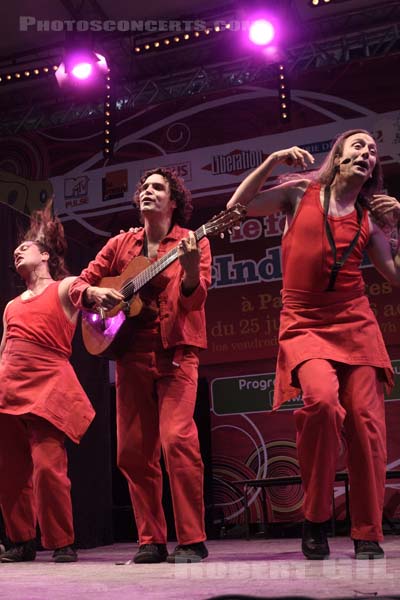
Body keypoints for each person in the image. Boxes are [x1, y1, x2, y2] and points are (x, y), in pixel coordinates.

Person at [227, 129, 400, 560]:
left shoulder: (368, 217)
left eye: (373, 151)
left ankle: (367, 531)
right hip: (305, 323)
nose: (367, 153)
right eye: (358, 146)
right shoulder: (301, 193)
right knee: (321, 404)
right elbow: (238, 207)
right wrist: (272, 162)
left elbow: (395, 273)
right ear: (338, 157)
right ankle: (316, 518)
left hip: (357, 325)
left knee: (367, 427)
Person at [69, 168, 211, 564]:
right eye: (144, 187)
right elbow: (80, 284)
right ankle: (151, 540)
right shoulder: (120, 244)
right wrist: (94, 292)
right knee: (132, 453)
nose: (148, 191)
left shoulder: (191, 241)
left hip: (176, 352)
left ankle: (192, 540)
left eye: (158, 187)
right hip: (130, 355)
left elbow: (194, 299)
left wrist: (190, 268)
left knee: (178, 442)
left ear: (174, 202)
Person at [0, 204, 95, 563]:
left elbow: (87, 293)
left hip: (46, 387)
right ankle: (20, 540)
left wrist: (99, 295)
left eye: (25, 246)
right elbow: (5, 347)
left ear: (44, 255)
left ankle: (60, 541)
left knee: (48, 469)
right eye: (14, 251)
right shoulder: (10, 306)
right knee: (9, 475)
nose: (17, 250)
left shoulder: (64, 287)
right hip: (8, 390)